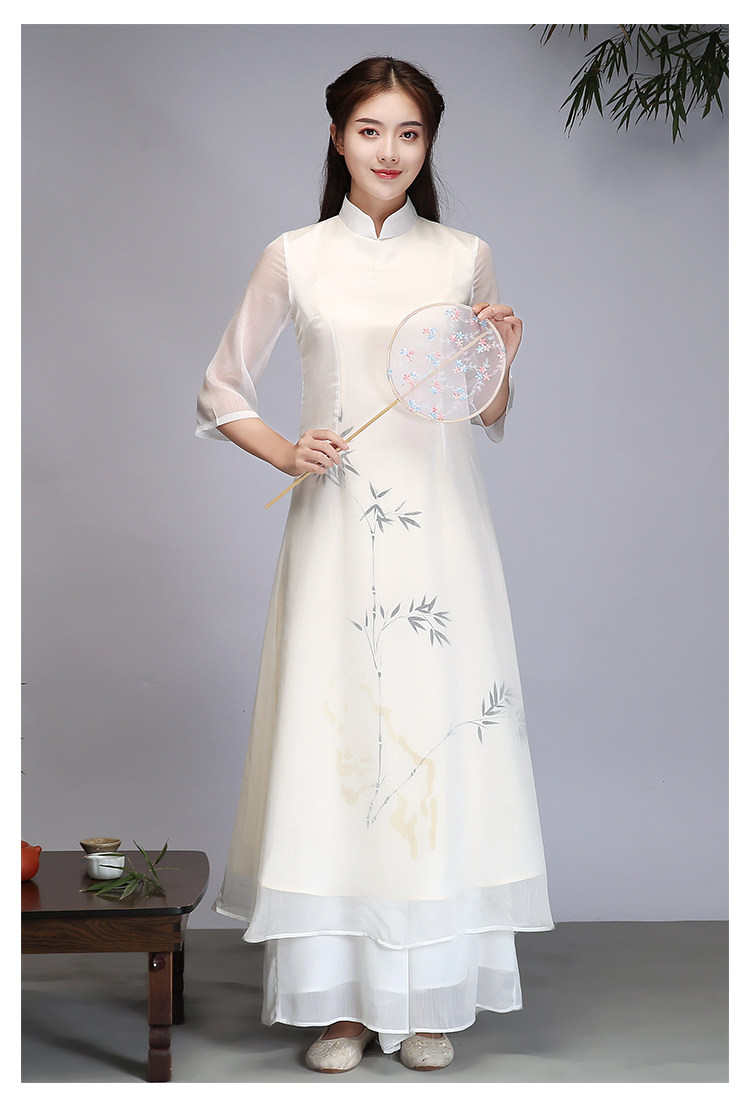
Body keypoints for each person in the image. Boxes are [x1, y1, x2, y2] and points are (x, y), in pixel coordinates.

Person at [196, 55, 554, 1073]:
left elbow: (484, 410)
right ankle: (342, 1007)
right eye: (370, 130)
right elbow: (221, 388)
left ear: (428, 144)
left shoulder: (464, 257)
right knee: (341, 736)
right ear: (336, 137)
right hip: (337, 533)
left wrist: (505, 357)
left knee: (433, 737)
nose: (390, 151)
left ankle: (426, 998)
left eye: (409, 133)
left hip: (441, 536)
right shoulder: (296, 256)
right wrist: (285, 450)